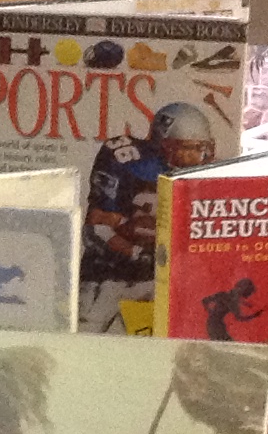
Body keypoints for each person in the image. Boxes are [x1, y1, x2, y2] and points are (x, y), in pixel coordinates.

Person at [82, 100, 219, 333]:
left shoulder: (207, 173)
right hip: (110, 275)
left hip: (163, 279)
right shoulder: (125, 159)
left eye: (200, 148)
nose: (195, 156)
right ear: (162, 143)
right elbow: (96, 225)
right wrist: (136, 249)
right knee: (86, 338)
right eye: (185, 148)